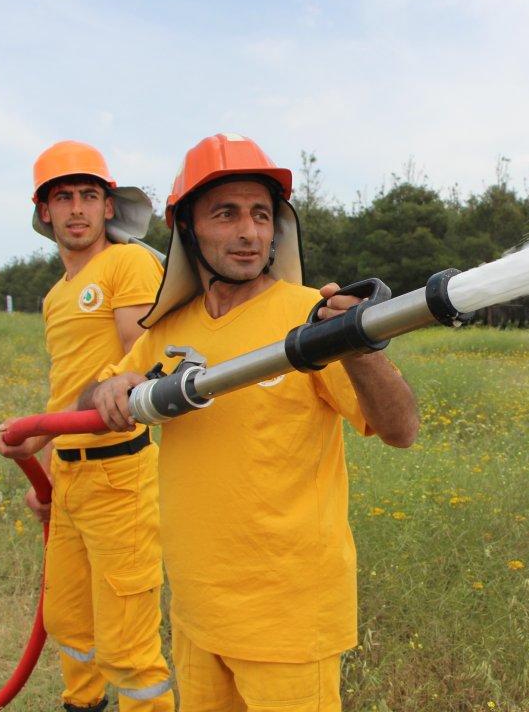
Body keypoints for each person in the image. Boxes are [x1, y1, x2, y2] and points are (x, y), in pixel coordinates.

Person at [83, 132, 419, 712]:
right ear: (187, 228)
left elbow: (401, 429)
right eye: (226, 214)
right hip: (196, 609)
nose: (248, 232)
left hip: (287, 618)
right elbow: (101, 395)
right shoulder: (167, 329)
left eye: (262, 215)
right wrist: (110, 386)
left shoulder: (308, 317)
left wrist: (362, 347)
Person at [0, 140, 173, 712]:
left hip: (121, 476)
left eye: (88, 196)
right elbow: (66, 385)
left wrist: (42, 431)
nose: (76, 208)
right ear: (44, 211)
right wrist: (47, 476)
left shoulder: (128, 263)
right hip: (70, 482)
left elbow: (140, 363)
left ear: (107, 207)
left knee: (128, 648)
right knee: (70, 624)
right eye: (63, 197)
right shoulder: (56, 296)